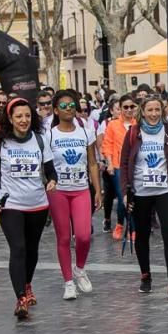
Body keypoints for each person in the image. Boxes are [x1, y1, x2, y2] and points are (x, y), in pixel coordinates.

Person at [0, 98, 58, 319]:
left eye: (27, 115)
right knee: (18, 248)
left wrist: (52, 181)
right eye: (19, 116)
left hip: (37, 204)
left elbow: (51, 171)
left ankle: (27, 284)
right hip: (11, 204)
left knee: (32, 250)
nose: (23, 120)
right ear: (10, 118)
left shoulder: (40, 140)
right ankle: (20, 299)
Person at [120, 95, 168, 300]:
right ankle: (145, 275)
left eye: (157, 110)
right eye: (150, 110)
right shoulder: (133, 133)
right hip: (140, 192)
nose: (154, 114)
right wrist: (124, 192)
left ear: (163, 111)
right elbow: (123, 165)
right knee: (142, 234)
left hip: (165, 190)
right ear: (143, 111)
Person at [47, 90, 103, 300]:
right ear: (55, 110)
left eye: (71, 105)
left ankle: (80, 268)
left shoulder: (85, 131)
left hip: (80, 189)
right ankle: (68, 282)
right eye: (63, 106)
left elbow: (92, 163)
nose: (68, 109)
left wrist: (98, 190)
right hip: (59, 191)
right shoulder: (50, 135)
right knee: (63, 237)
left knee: (83, 235)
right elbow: (46, 165)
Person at [101, 95, 136, 240]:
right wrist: (109, 162)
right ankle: (128, 227)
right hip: (117, 165)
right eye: (125, 107)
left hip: (135, 166)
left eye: (131, 107)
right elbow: (107, 144)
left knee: (133, 198)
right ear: (120, 109)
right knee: (123, 197)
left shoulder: (139, 124)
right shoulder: (113, 125)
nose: (128, 110)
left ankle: (123, 223)